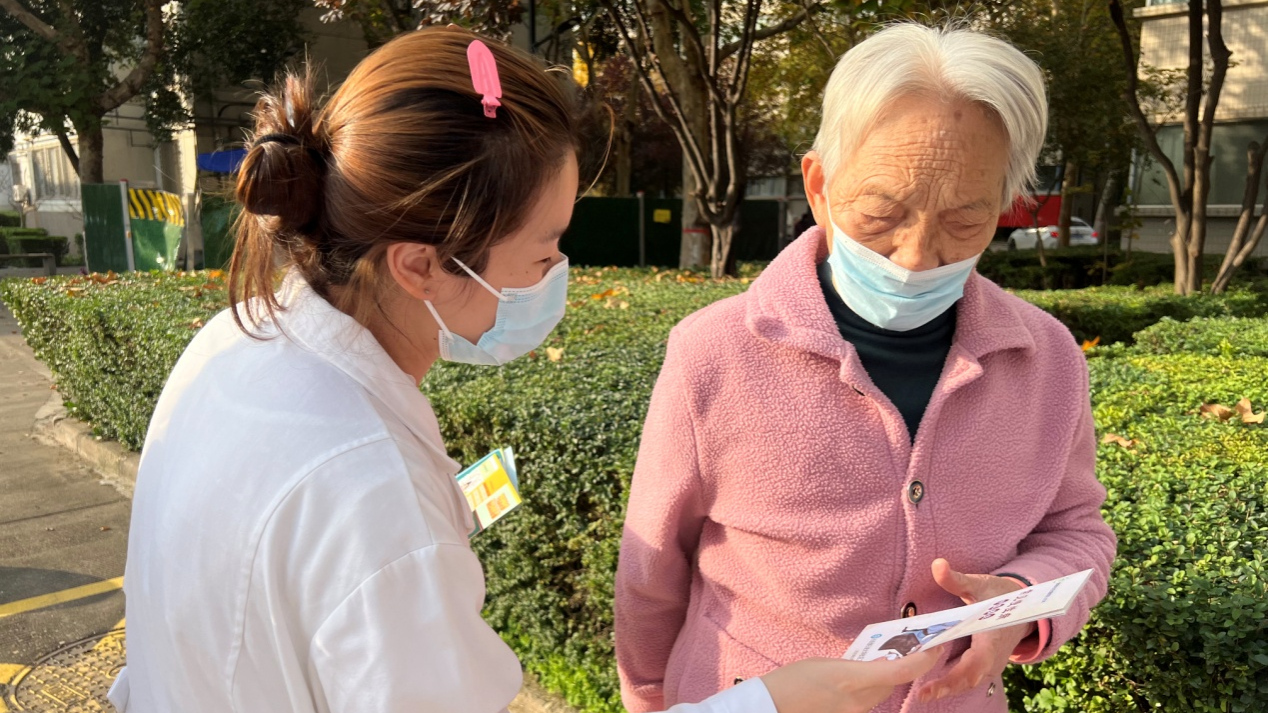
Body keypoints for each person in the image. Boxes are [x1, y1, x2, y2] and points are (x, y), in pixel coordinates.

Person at [108, 27, 939, 713]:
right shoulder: (368, 491)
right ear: (419, 264)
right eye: (543, 253)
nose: (556, 275)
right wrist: (769, 703)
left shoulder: (234, 344)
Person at [614, 23, 1117, 713]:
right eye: (882, 213)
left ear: (1004, 205)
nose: (916, 255)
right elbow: (652, 570)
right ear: (819, 185)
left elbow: (1078, 531)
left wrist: (1022, 601)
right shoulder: (715, 352)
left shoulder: (1049, 359)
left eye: (964, 220)